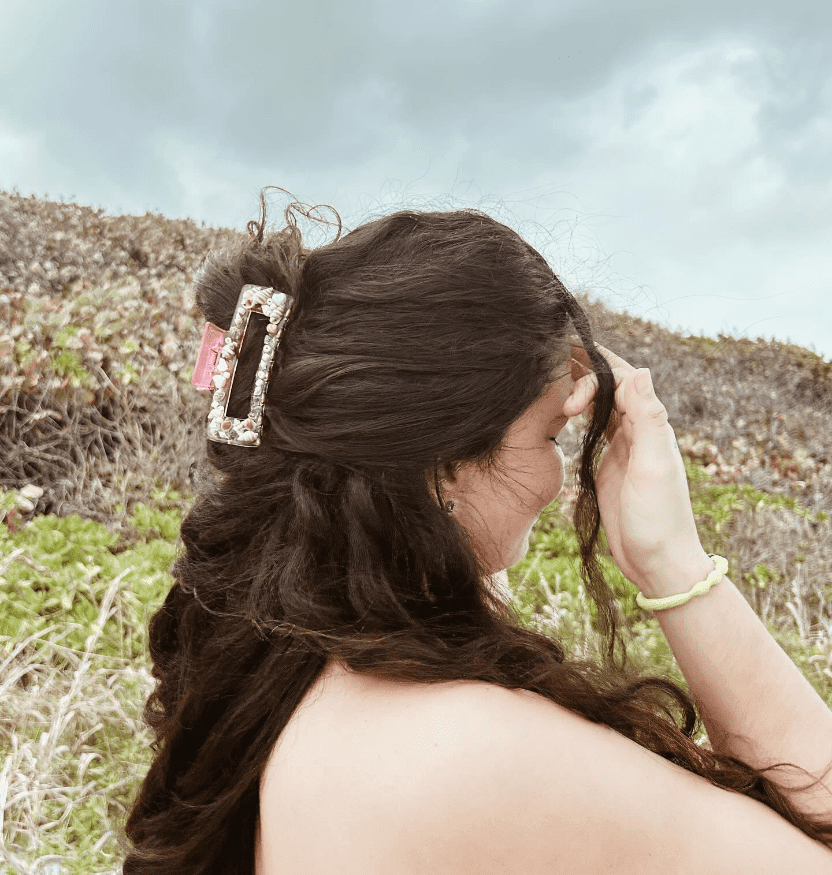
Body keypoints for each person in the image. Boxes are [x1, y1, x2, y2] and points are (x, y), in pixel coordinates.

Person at [121, 189, 832, 874]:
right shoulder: (470, 753)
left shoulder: (287, 684)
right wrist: (673, 564)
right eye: (550, 434)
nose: (559, 479)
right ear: (443, 463)